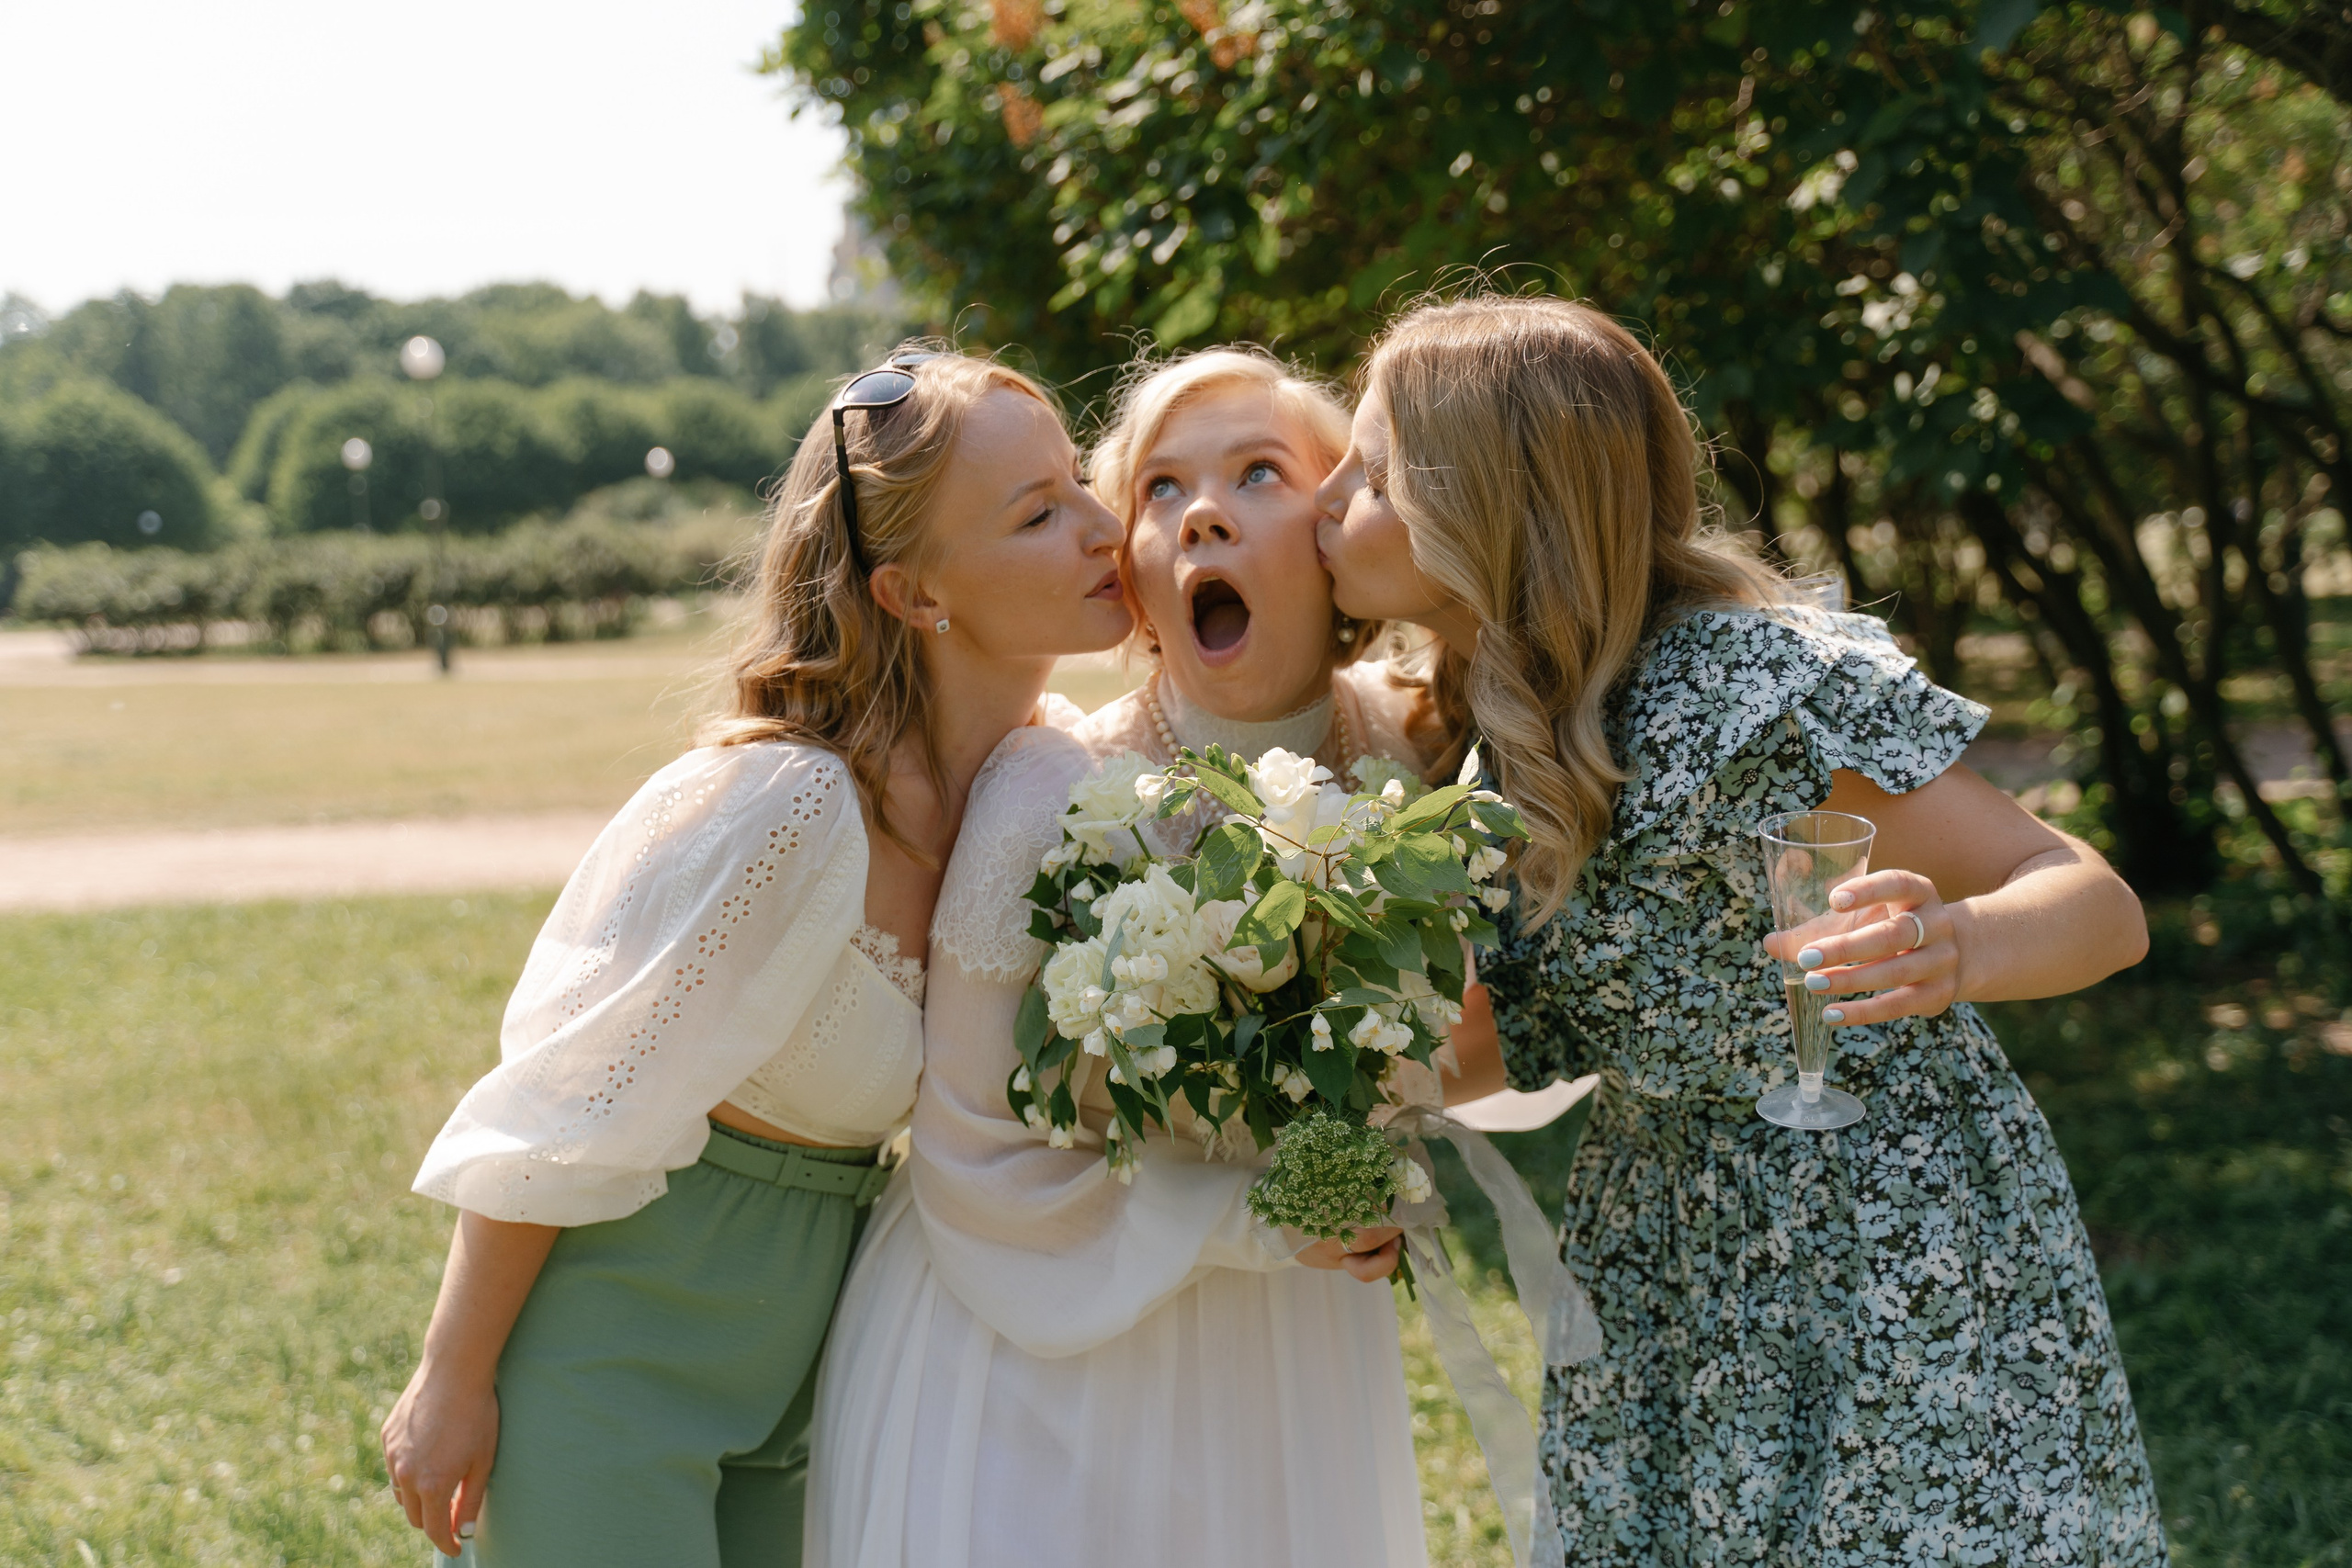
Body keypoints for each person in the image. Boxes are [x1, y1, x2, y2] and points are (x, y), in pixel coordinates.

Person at [1313, 295, 2167, 1565]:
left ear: (1487, 508)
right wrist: (1317, 1108)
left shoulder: (1743, 691)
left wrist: (1963, 948)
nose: (1329, 491)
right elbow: (1515, 1037)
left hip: (1883, 1232)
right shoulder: (1501, 747)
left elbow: (2097, 903)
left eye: (1370, 471)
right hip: (1669, 1254)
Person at [379, 348, 1131, 1568]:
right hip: (616, 1354)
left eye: (1083, 483)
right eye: (1041, 514)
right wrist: (450, 1378)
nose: (1106, 528)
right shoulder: (782, 803)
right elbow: (569, 1102)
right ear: (913, 593)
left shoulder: (1048, 780)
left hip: (822, 1364)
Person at [805, 349, 1437, 1568]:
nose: (1200, 510)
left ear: (1340, 529)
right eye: (1157, 489)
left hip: (1291, 1357)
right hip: (1045, 1355)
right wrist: (1258, 1219)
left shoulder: (1417, 760)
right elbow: (971, 1149)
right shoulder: (1053, 792)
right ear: (1134, 577)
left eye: (1260, 472)